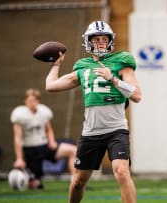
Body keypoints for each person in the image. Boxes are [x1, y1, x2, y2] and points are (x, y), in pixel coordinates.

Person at [45, 21, 141, 203]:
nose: (101, 43)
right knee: (78, 181)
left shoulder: (122, 61)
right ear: (88, 42)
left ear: (110, 41)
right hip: (91, 132)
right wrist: (56, 64)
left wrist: (112, 79)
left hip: (117, 129)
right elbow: (50, 86)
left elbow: (136, 95)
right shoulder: (82, 66)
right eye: (96, 39)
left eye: (104, 39)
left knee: (121, 171)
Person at [11, 88, 77, 189]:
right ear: (25, 101)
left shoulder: (44, 111)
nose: (32, 103)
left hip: (44, 146)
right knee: (35, 185)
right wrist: (19, 158)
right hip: (30, 150)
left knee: (73, 150)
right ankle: (34, 180)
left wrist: (51, 141)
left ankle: (75, 183)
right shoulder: (19, 114)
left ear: (38, 101)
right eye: (29, 101)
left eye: (34, 100)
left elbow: (48, 129)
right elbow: (17, 138)